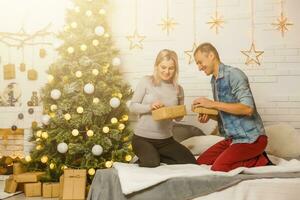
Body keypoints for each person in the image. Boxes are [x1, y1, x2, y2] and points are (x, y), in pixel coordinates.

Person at [192, 43, 272, 172]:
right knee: (201, 162)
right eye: (197, 64)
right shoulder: (214, 80)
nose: (199, 67)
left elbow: (247, 108)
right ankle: (245, 156)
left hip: (252, 139)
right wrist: (210, 116)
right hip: (233, 139)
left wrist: (212, 104)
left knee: (219, 167)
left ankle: (261, 159)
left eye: (200, 62)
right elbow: (226, 114)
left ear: (211, 55)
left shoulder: (234, 74)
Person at [129, 49, 197, 167]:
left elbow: (179, 118)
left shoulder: (178, 89)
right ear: (157, 66)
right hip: (142, 139)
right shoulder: (146, 81)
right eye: (163, 67)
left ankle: (156, 155)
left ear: (175, 69)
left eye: (171, 68)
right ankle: (151, 156)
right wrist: (150, 107)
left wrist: (177, 113)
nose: (167, 71)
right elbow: (132, 106)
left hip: (165, 140)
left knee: (191, 162)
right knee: (151, 163)